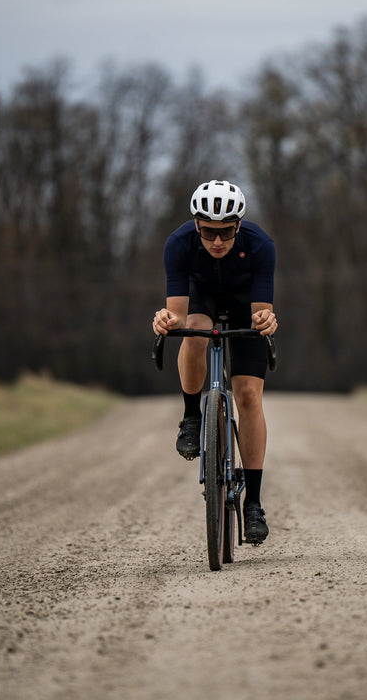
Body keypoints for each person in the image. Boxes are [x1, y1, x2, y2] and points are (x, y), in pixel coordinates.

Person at [152, 180, 278, 545]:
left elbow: (260, 315)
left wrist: (267, 322)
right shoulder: (178, 244)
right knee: (192, 329)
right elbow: (175, 314)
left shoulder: (260, 245)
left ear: (239, 225)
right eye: (209, 231)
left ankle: (253, 503)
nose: (218, 241)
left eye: (226, 232)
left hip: (244, 301)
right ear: (196, 225)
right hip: (202, 299)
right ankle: (192, 417)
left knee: (249, 395)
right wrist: (163, 320)